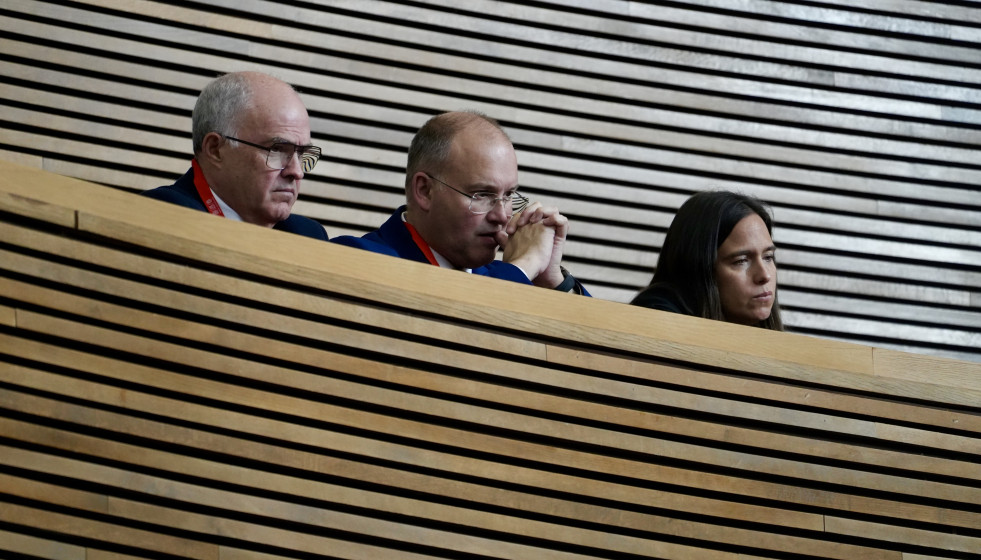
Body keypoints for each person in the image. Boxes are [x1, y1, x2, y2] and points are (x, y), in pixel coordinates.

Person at [331, 111, 587, 294]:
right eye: (483, 195)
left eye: (508, 196)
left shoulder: (501, 276)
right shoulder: (356, 259)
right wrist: (523, 267)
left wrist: (552, 280)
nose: (501, 215)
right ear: (425, 190)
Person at [143, 71, 328, 240]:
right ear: (215, 149)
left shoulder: (307, 235)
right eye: (278, 150)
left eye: (302, 153)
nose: (297, 172)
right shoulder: (160, 215)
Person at [631, 190, 783, 330]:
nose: (765, 276)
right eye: (741, 261)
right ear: (698, 267)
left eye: (768, 257)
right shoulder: (656, 318)